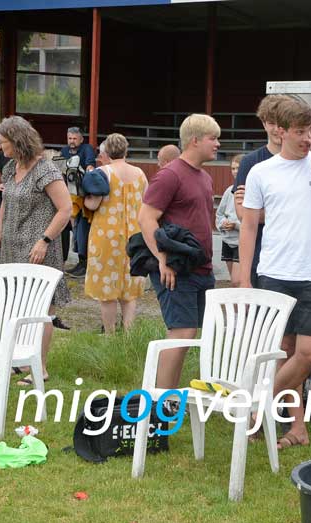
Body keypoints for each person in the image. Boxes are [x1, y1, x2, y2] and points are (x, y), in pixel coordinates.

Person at [238, 98, 311, 449]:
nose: (308, 138)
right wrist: (245, 277)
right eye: (301, 132)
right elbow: (248, 227)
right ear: (282, 131)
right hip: (273, 273)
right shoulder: (261, 171)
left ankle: (258, 405)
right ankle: (297, 428)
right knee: (285, 354)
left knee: (308, 353)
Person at [0, 116, 72, 386]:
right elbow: (5, 203)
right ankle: (18, 358)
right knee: (13, 306)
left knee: (39, 308)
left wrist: (45, 240)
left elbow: (66, 209)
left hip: (39, 249)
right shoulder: (11, 167)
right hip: (12, 245)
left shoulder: (45, 170)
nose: (1, 148)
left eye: (4, 143)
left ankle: (40, 368)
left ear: (19, 140)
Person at [138, 114, 220, 388]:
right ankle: (160, 400)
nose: (218, 144)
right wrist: (162, 259)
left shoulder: (205, 177)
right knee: (181, 330)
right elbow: (146, 218)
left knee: (190, 332)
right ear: (194, 140)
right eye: (213, 138)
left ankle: (169, 396)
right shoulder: (170, 174)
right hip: (177, 268)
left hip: (202, 267)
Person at [85, 133, 148, 333]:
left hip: (107, 235)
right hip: (135, 235)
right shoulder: (140, 173)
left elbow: (93, 204)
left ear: (106, 152)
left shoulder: (102, 173)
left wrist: (84, 201)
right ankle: (128, 336)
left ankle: (110, 335)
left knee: (107, 289)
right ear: (126, 150)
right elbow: (146, 202)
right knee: (129, 290)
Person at [232, 95, 289, 286]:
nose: (276, 129)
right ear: (264, 123)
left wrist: (261, 210)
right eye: (271, 122)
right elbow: (243, 214)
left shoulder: (304, 162)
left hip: (294, 260)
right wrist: (288, 210)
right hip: (260, 256)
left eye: (281, 122)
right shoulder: (250, 162)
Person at [62, 126, 97, 279]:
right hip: (67, 194)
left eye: (75, 139)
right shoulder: (63, 151)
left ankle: (84, 263)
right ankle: (68, 261)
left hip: (83, 194)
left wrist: (88, 172)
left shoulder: (87, 149)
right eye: (70, 138)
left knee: (82, 229)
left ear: (81, 139)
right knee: (69, 229)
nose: (72, 141)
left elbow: (90, 165)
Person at [216, 154, 243, 286]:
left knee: (238, 281)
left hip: (242, 242)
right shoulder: (228, 191)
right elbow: (219, 214)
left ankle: (244, 306)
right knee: (234, 283)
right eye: (233, 168)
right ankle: (238, 307)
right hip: (228, 240)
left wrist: (236, 225)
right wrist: (223, 224)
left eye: (238, 168)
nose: (235, 171)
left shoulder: (252, 190)